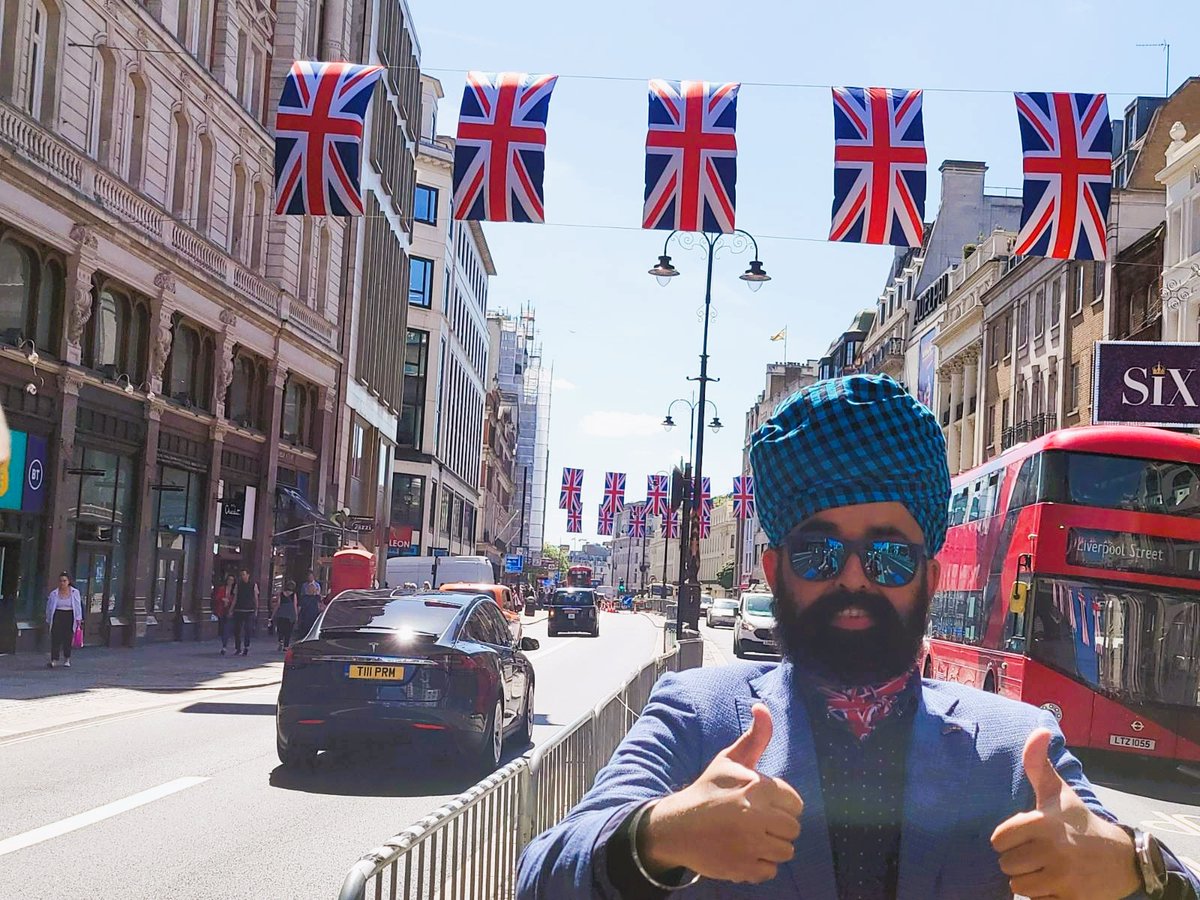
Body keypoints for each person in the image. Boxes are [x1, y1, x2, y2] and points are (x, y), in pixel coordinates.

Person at [517, 375, 1199, 900]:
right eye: (819, 554)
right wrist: (658, 836)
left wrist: (1132, 869)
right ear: (774, 570)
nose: (853, 579)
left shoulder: (1018, 751)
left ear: (929, 576)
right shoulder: (696, 716)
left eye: (888, 556)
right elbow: (542, 875)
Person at [45, 572, 82, 668]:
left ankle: (67, 658)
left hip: (69, 615)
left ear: (69, 581)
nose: (62, 583)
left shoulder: (75, 592)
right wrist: (49, 619)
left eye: (64, 581)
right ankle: (54, 659)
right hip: (58, 615)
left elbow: (78, 606)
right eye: (61, 581)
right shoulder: (54, 593)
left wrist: (78, 618)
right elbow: (49, 607)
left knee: (68, 637)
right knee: (56, 637)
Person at [231, 568, 258, 657]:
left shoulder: (253, 585)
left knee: (248, 629)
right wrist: (232, 608)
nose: (243, 576)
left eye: (244, 574)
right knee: (237, 630)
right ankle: (238, 648)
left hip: (249, 610)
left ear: (248, 575)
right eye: (241, 575)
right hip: (239, 609)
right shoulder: (238, 585)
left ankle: (246, 647)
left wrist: (256, 608)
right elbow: (235, 597)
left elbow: (255, 597)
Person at [213, 573, 235, 656]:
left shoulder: (234, 590)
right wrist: (223, 599)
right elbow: (217, 597)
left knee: (227, 627)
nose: (230, 581)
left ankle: (224, 646)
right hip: (222, 610)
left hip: (230, 610)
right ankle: (224, 641)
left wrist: (230, 602)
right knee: (222, 627)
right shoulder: (222, 589)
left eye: (232, 580)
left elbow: (236, 599)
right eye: (229, 580)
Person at [297, 569, 323, 639]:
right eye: (309, 577)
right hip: (306, 612)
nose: (310, 578)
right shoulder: (304, 587)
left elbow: (320, 603)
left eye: (311, 577)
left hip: (313, 612)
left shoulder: (317, 586)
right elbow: (301, 601)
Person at [275, 580, 298, 650]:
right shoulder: (294, 595)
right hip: (290, 614)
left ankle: (280, 640)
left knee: (281, 629)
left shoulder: (281, 594)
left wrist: (274, 613)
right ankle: (286, 646)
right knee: (288, 630)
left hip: (281, 613)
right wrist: (296, 615)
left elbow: (278, 604)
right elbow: (295, 605)